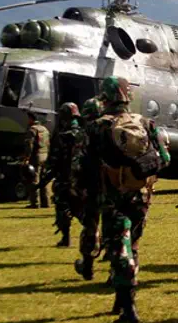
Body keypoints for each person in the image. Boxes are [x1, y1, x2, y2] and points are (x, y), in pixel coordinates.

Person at [87, 76, 168, 322]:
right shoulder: (146, 123)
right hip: (141, 195)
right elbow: (163, 159)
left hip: (113, 195)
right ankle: (120, 299)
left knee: (119, 249)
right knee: (131, 245)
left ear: (105, 97)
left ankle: (129, 309)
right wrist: (139, 170)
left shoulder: (97, 126)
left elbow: (84, 165)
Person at [42, 102, 84, 247]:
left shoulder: (62, 137)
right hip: (82, 179)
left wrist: (46, 177)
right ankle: (96, 236)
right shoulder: (85, 134)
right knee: (83, 210)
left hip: (64, 179)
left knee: (62, 208)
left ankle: (66, 238)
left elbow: (55, 161)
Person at [75, 97, 104, 281]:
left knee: (91, 227)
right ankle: (116, 272)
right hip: (115, 186)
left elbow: (77, 163)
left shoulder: (84, 133)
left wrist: (77, 187)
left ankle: (88, 266)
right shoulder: (112, 127)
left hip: (92, 187)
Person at [22, 110, 50, 209]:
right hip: (45, 156)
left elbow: (29, 145)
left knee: (34, 179)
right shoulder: (45, 129)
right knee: (44, 180)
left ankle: (35, 202)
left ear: (31, 119)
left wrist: (26, 158)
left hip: (36, 157)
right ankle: (46, 202)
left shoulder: (32, 130)